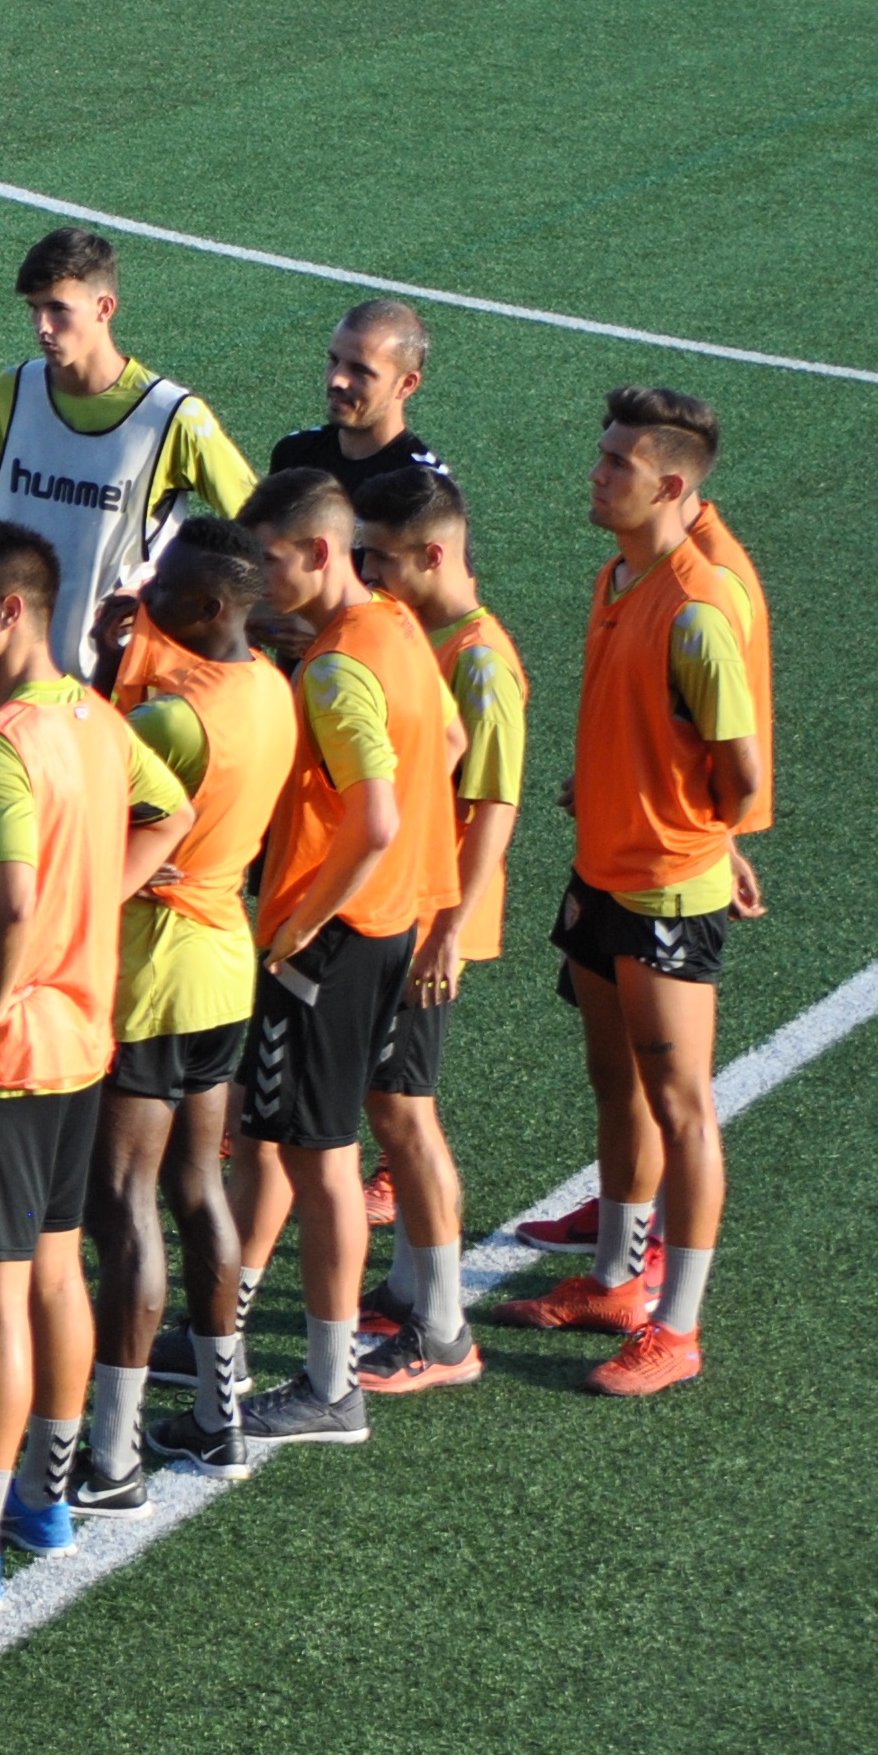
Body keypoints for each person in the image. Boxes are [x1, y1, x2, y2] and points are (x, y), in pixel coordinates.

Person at [0, 523, 186, 1611]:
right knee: (57, 1276)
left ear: (11, 611)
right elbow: (174, 814)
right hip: (77, 1048)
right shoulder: (97, 719)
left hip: (0, 1061)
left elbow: (12, 898)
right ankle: (45, 1501)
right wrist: (93, 903)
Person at [491, 389, 767, 1397]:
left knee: (681, 1104)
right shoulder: (618, 573)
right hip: (600, 867)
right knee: (615, 1083)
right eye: (602, 455)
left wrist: (701, 835)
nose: (597, 473)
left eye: (617, 463)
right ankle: (613, 1281)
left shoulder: (696, 609)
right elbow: (651, 724)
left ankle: (676, 1326)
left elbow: (739, 771)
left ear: (671, 483)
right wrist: (606, 779)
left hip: (664, 889)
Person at [223, 471, 458, 1449]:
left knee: (319, 1164)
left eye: (268, 559)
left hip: (333, 941)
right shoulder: (396, 625)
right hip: (389, 924)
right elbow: (446, 738)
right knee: (312, 1150)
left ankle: (330, 1387)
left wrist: (298, 925)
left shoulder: (333, 669)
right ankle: (299, 1363)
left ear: (319, 553)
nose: (256, 577)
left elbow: (375, 818)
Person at [82, 522, 294, 1489]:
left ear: (209, 608)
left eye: (164, 586)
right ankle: (219, 1416)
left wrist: (101, 666)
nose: (147, 592)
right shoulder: (270, 688)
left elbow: (80, 796)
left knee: (123, 1204)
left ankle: (111, 1452)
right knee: (198, 1189)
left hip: (154, 972)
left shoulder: (173, 719)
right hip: (223, 966)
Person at [348, 468, 526, 1393]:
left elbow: (495, 803)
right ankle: (408, 1288)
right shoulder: (425, 635)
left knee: (405, 1112)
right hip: (409, 906)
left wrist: (451, 926)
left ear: (432, 554)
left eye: (380, 557)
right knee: (395, 1106)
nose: (368, 573)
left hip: (430, 918)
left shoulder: (480, 659)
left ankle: (445, 1334)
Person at [0, 227, 259, 678]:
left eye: (58, 309)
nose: (42, 327)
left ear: (104, 308)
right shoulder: (13, 390)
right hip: (14, 674)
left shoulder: (171, 416)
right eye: (34, 309)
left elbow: (256, 525)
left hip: (113, 679)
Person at [270, 300, 454, 497]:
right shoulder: (294, 454)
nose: (336, 380)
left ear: (406, 384)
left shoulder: (425, 490)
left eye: (360, 370)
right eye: (334, 360)